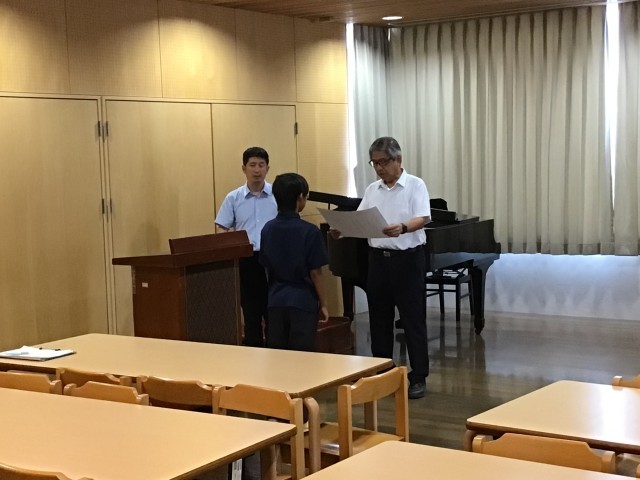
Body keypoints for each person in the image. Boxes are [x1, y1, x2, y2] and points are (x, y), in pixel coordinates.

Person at [334, 136, 431, 399]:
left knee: (412, 320)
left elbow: (423, 217)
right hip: (378, 260)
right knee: (379, 319)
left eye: (384, 162)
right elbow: (361, 218)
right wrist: (343, 229)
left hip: (407, 260)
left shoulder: (415, 185)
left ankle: (418, 376)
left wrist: (403, 227)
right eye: (374, 163)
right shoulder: (372, 189)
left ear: (398, 160)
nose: (379, 168)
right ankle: (382, 372)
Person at [259, 172, 329, 351]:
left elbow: (266, 267)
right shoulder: (310, 232)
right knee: (302, 356)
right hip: (303, 301)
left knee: (278, 355)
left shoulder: (267, 229)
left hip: (275, 300)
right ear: (300, 198)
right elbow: (316, 273)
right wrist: (324, 304)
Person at [215, 146, 277, 347]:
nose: (257, 170)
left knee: (272, 312)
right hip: (246, 260)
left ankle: (276, 355)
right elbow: (221, 228)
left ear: (268, 168)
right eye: (252, 165)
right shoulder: (233, 198)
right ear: (244, 168)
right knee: (251, 313)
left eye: (261, 165)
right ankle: (253, 354)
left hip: (273, 260)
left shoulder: (277, 195)